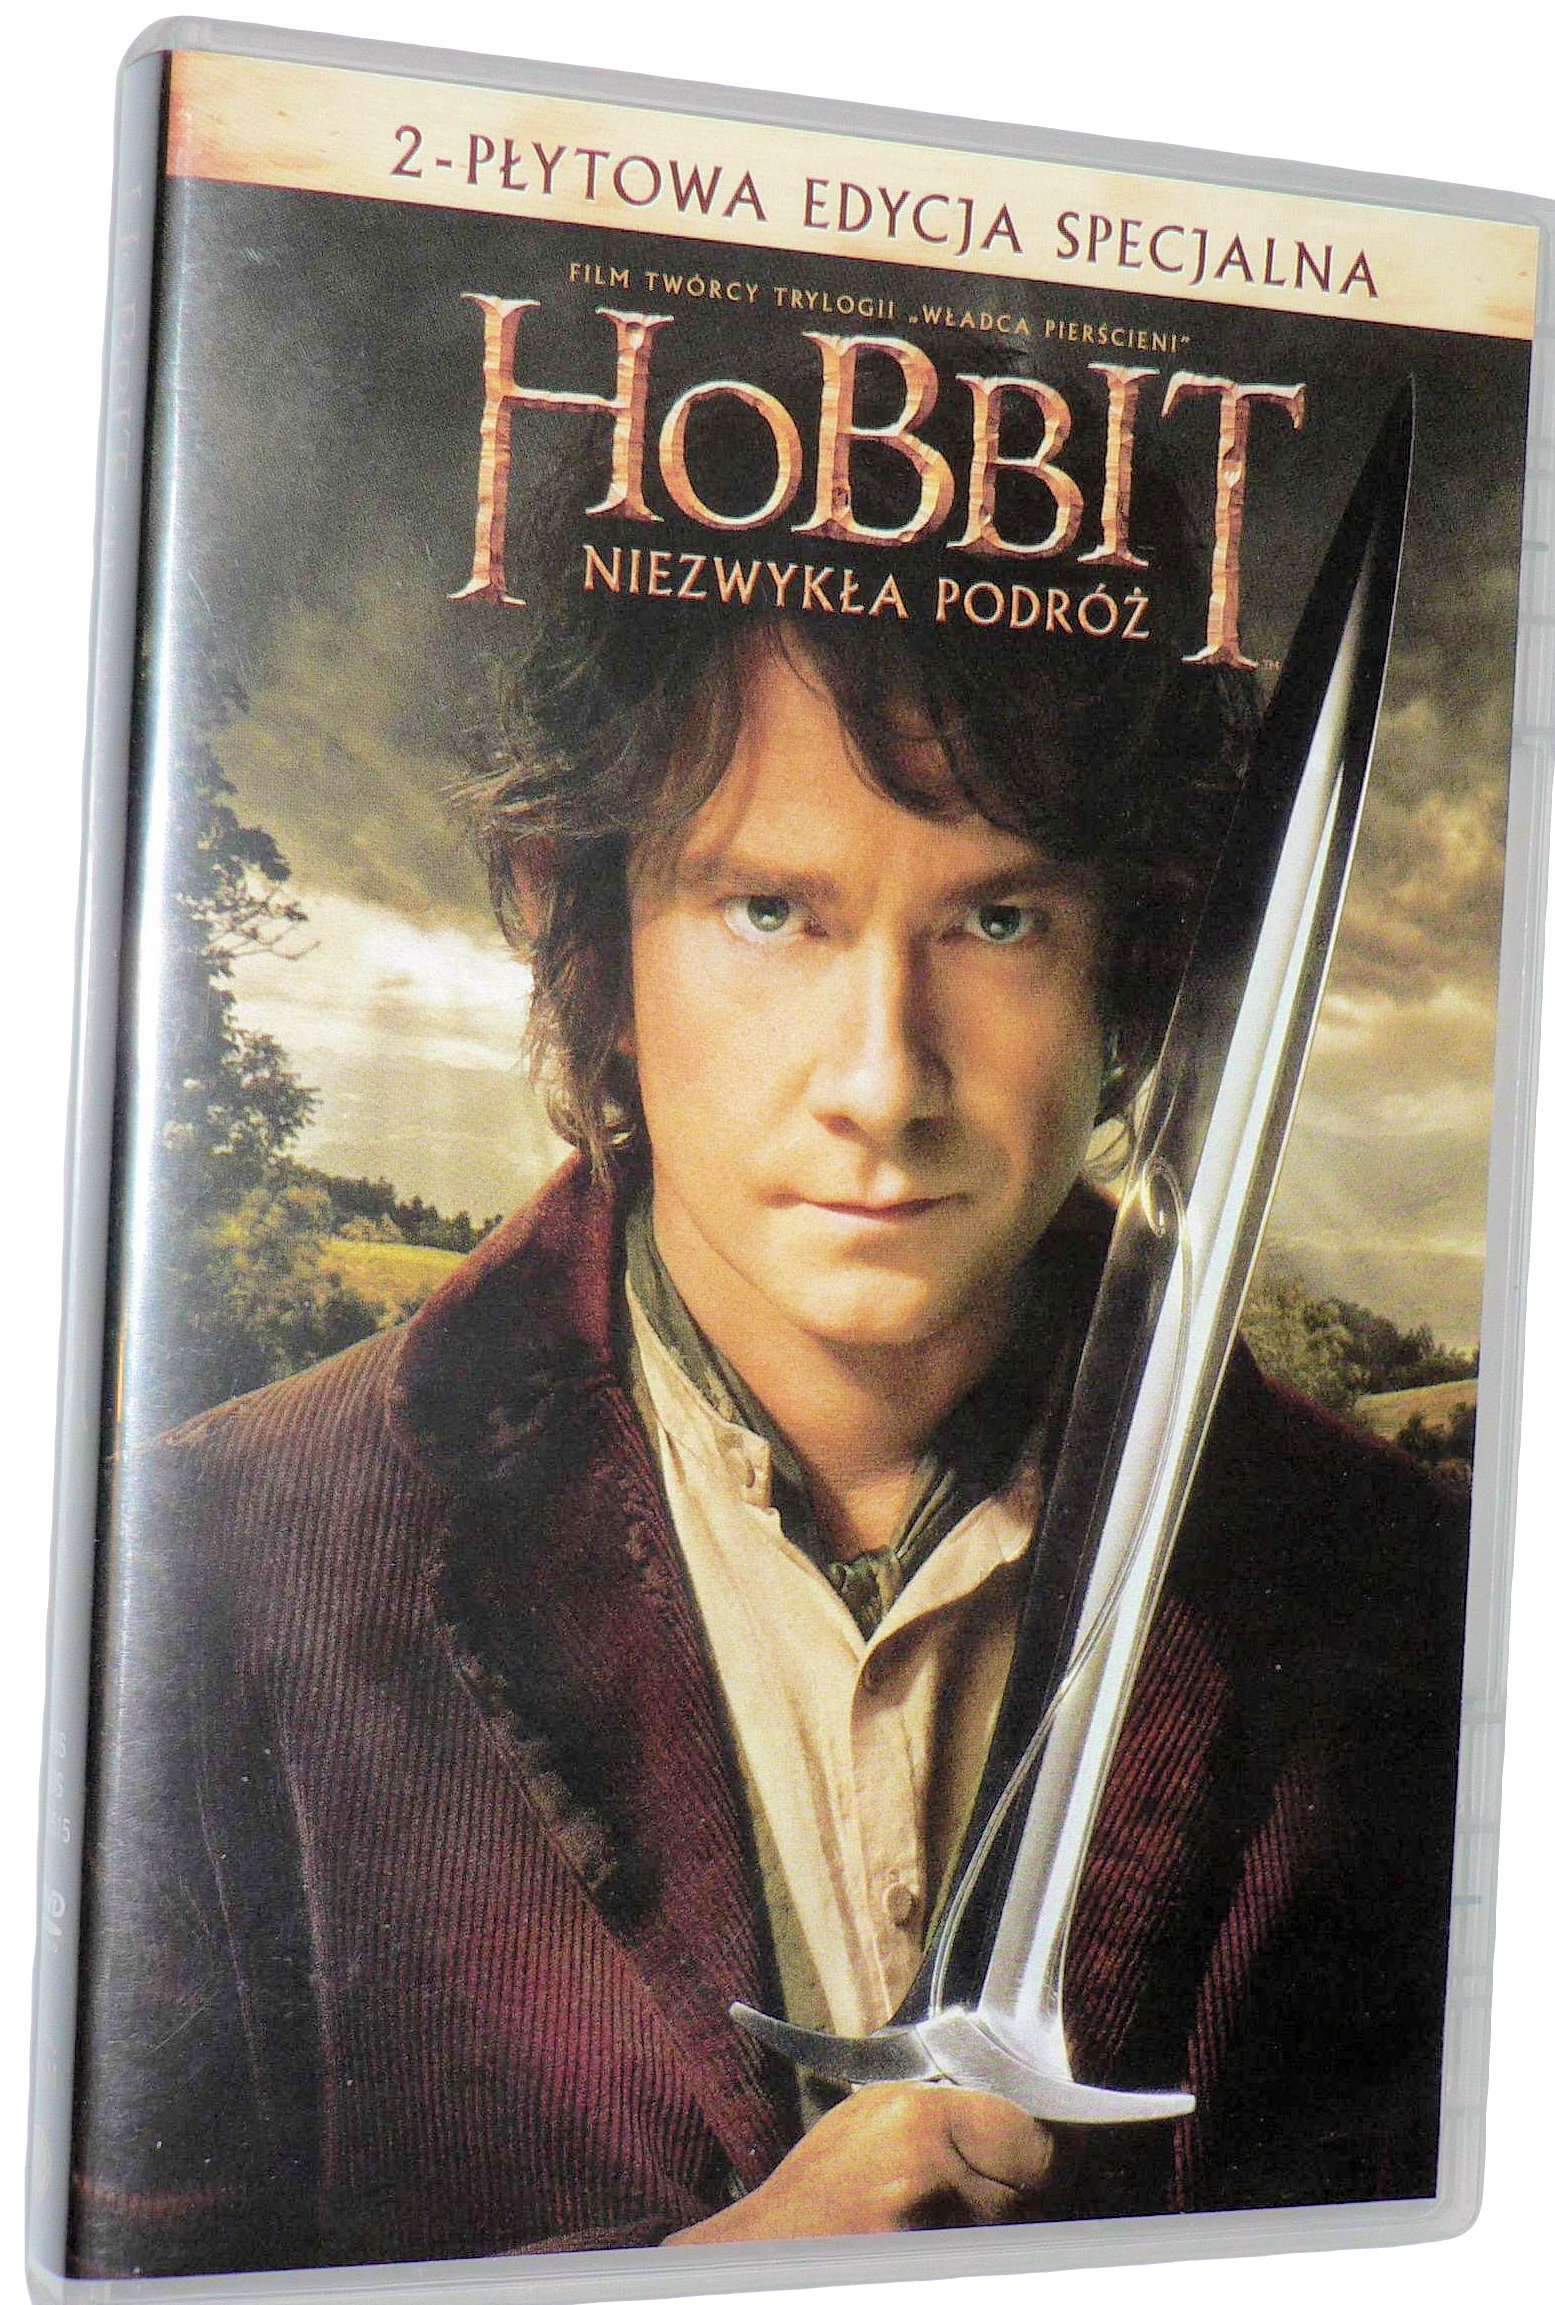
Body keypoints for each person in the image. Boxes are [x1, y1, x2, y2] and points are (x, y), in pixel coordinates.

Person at [67, 425, 1468, 2277]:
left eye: (998, 917)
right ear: (587, 928)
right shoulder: (199, 1579)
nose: (884, 1079)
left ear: (1128, 962)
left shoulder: (1413, 1595)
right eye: (770, 911)